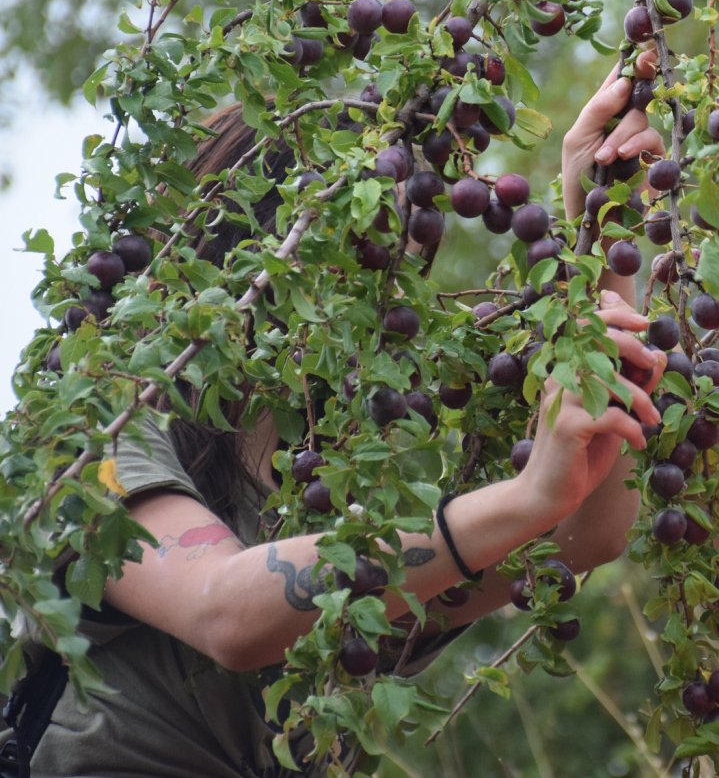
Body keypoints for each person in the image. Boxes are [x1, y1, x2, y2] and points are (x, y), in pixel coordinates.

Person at [7, 64, 665, 777]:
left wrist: (603, 238)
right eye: (367, 260)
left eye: (407, 270)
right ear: (251, 242)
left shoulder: (343, 491)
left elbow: (585, 532)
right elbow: (225, 610)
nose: (389, 306)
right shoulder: (91, 426)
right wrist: (525, 495)